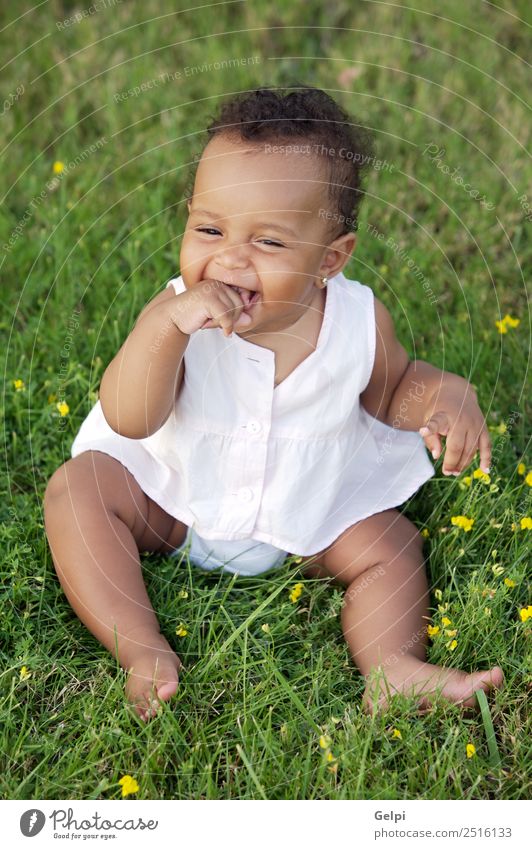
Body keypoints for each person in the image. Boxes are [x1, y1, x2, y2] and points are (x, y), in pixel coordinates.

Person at [43, 86, 504, 722]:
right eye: (209, 229)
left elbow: (395, 389)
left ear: (330, 259)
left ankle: (392, 665)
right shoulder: (174, 310)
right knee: (79, 490)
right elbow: (130, 418)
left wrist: (448, 395)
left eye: (269, 243)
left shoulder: (357, 322)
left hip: (306, 517)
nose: (228, 259)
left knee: (391, 544)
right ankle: (140, 647)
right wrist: (165, 330)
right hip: (174, 503)